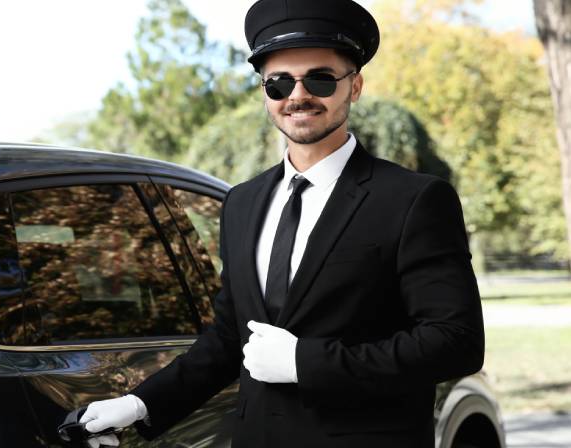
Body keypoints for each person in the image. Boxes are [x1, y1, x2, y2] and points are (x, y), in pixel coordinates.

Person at [78, 0, 485, 446]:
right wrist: (141, 405)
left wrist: (306, 363)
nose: (298, 95)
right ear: (264, 91)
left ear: (356, 86)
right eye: (278, 83)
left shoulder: (414, 199)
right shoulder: (241, 203)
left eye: (320, 78)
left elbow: (455, 341)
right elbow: (230, 338)